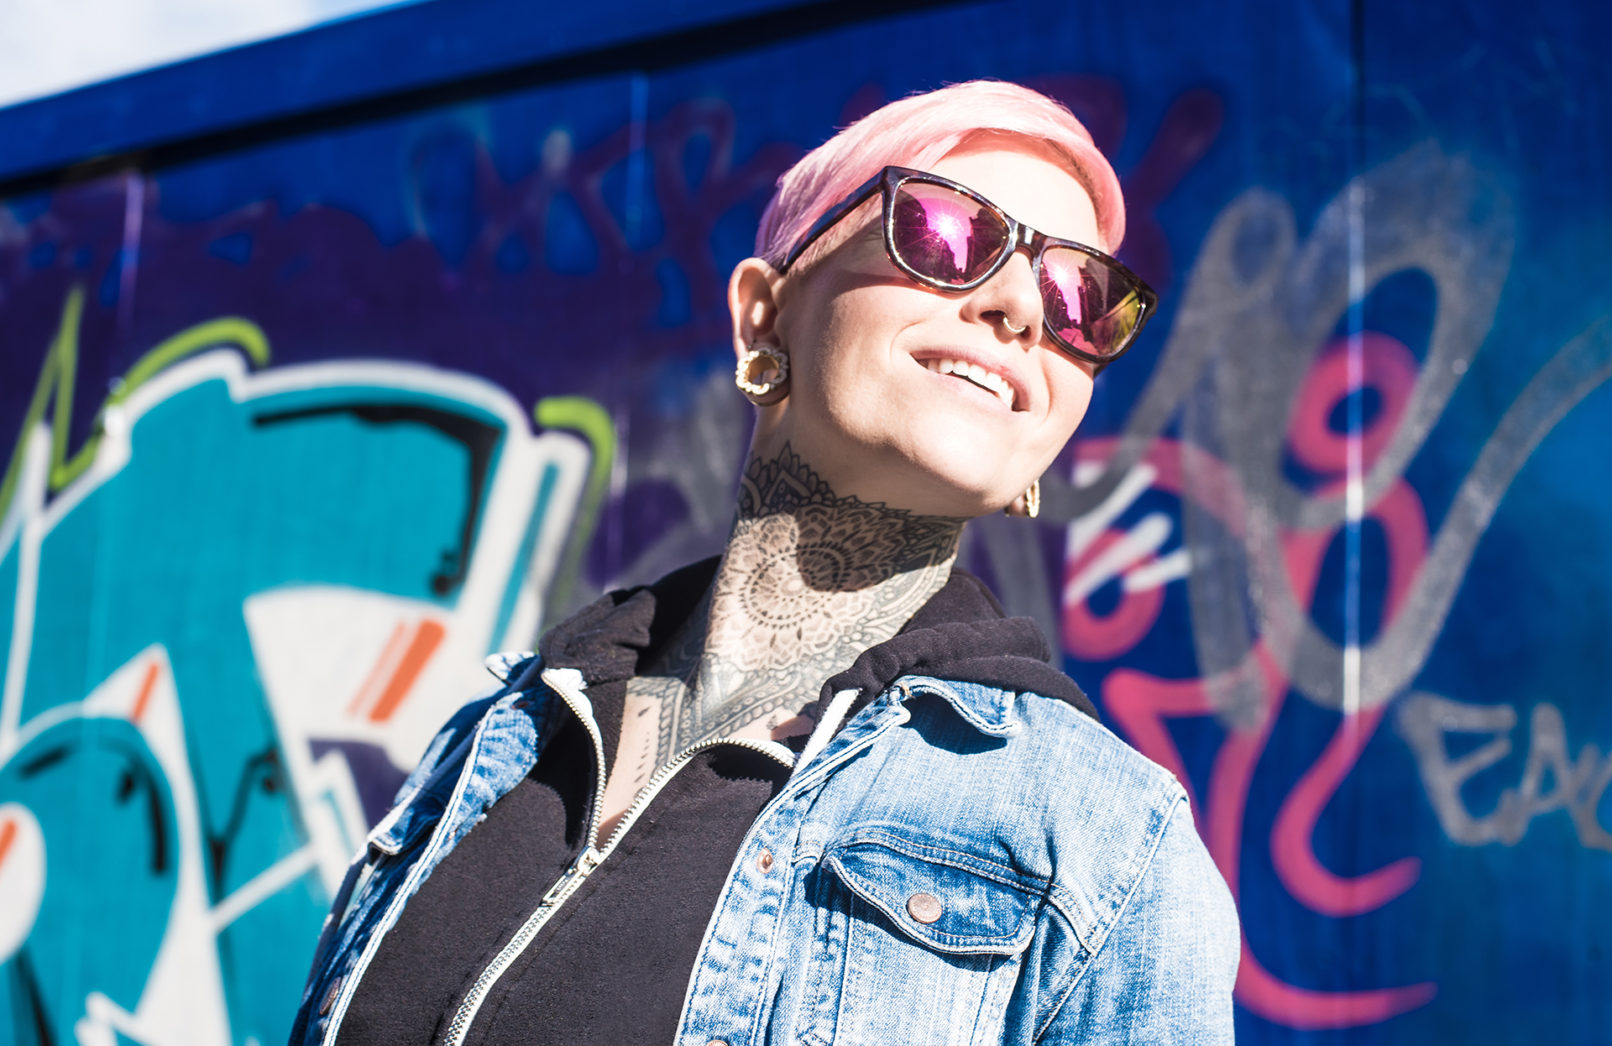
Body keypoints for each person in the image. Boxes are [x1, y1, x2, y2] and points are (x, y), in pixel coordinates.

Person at [291, 79, 1239, 1046]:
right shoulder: (499, 737)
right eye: (947, 233)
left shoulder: (1105, 843)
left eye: (1080, 296)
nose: (1021, 306)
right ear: (763, 316)